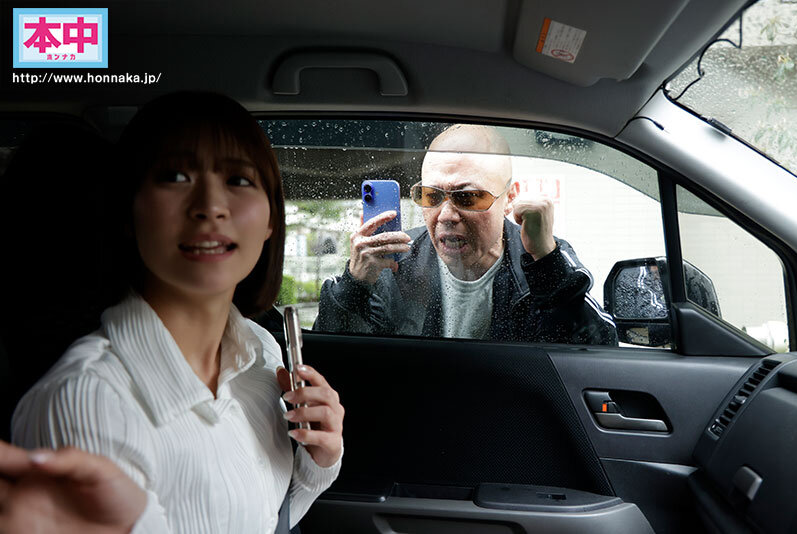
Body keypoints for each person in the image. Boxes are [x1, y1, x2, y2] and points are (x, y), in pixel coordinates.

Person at [0, 92, 344, 533]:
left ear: (271, 220)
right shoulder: (84, 400)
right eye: (176, 176)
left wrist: (319, 462)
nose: (210, 206)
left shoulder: (259, 351)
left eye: (239, 179)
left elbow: (264, 520)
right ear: (129, 211)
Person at [314, 124, 617, 345]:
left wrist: (547, 262)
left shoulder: (543, 260)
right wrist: (353, 285)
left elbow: (598, 352)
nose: (446, 215)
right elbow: (334, 363)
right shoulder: (395, 262)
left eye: (468, 197)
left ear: (510, 198)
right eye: (431, 196)